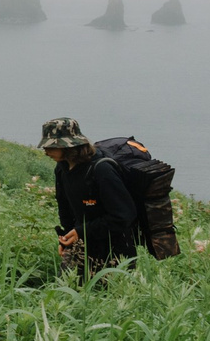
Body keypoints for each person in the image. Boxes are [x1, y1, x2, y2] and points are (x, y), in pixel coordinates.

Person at [40, 117, 141, 276]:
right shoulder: (62, 169)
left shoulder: (102, 170)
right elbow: (65, 209)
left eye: (51, 146)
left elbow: (124, 216)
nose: (45, 151)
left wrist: (82, 231)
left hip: (115, 252)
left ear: (68, 146)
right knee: (65, 295)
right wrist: (67, 239)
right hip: (80, 245)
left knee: (109, 298)